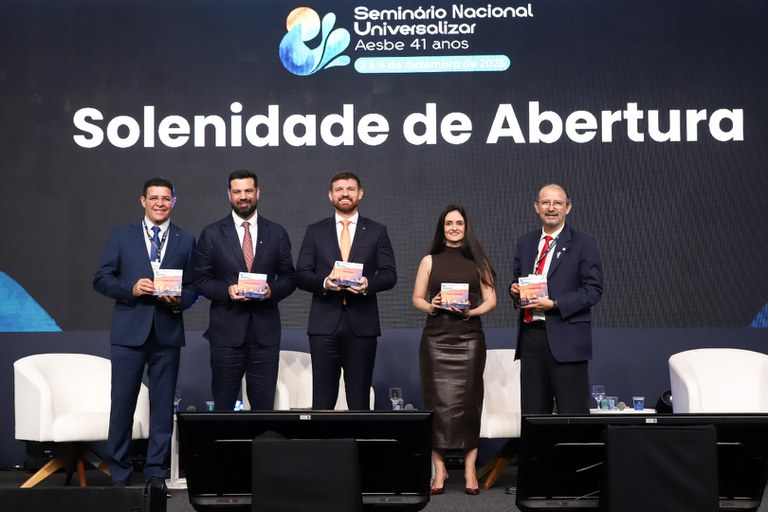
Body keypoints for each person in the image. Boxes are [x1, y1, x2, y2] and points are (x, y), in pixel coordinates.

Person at [93, 177, 197, 495]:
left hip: (167, 331)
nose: (160, 203)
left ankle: (155, 472)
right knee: (122, 404)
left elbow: (195, 288)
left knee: (162, 406)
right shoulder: (121, 236)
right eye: (154, 198)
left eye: (166, 198)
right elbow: (101, 279)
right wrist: (131, 289)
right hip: (129, 333)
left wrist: (180, 299)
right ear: (142, 201)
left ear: (174, 202)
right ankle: (120, 474)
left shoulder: (186, 239)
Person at [411, 204, 497, 496]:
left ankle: (470, 470)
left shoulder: (479, 260)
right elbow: (417, 299)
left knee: (470, 404)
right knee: (435, 404)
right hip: (436, 339)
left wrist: (472, 313)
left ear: (466, 227)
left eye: (459, 223)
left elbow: (490, 301)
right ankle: (440, 470)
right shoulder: (429, 260)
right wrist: (433, 305)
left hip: (470, 338)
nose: (454, 228)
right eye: (449, 223)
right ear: (442, 228)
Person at [194, 170, 296, 411]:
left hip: (265, 335)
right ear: (229, 194)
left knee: (263, 410)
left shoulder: (277, 232)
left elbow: (290, 277)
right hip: (226, 334)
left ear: (258, 192)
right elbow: (200, 279)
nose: (243, 196)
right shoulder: (212, 233)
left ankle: (261, 450)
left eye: (248, 191)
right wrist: (227, 290)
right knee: (223, 408)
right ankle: (225, 451)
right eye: (237, 191)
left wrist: (272, 291)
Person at [296, 172, 397, 410]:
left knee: (359, 398)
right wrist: (325, 283)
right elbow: (301, 274)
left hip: (362, 325)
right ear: (330, 195)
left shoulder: (376, 231)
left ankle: (356, 448)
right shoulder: (315, 231)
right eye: (339, 189)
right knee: (322, 399)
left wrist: (367, 285)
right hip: (324, 326)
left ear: (360, 194)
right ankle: (324, 447)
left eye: (350, 189)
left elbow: (389, 274)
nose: (345, 193)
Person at [510, 183, 603, 415]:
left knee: (572, 417)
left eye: (557, 203)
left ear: (568, 208)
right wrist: (513, 290)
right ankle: (535, 454)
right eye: (546, 203)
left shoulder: (584, 243)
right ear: (536, 207)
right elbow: (517, 279)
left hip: (567, 340)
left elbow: (593, 290)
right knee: (533, 416)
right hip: (531, 339)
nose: (551, 208)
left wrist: (556, 304)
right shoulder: (525, 243)